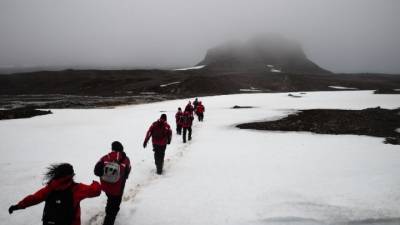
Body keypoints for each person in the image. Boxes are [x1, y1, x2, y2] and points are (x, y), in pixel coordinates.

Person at [8, 163, 101, 225]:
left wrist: (18, 206)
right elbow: (96, 191)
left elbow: (34, 198)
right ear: (71, 175)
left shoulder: (50, 188)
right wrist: (95, 183)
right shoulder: (77, 189)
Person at [94, 141, 131, 225]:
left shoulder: (105, 157)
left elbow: (96, 171)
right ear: (121, 149)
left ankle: (109, 211)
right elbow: (127, 172)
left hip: (106, 187)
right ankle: (109, 220)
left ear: (112, 148)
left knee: (110, 200)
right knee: (114, 207)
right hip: (118, 189)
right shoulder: (126, 159)